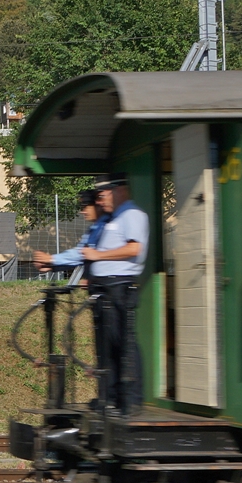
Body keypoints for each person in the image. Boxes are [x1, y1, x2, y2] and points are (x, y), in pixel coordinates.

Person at [80, 173, 148, 415]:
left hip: (120, 287)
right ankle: (109, 397)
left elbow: (134, 248)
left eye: (103, 194)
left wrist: (98, 256)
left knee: (124, 344)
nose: (99, 200)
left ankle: (131, 400)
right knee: (107, 347)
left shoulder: (132, 215)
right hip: (105, 290)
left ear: (120, 190)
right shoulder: (112, 219)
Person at [33, 188, 106, 285]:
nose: (82, 212)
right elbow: (81, 252)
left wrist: (52, 259)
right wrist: (52, 265)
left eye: (84, 207)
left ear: (97, 205)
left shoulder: (105, 226)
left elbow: (82, 254)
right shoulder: (94, 228)